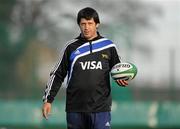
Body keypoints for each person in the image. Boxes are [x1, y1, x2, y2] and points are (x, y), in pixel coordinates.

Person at [42, 7, 128, 129]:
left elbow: (118, 70)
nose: (86, 27)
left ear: (97, 24)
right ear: (79, 25)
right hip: (75, 108)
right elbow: (57, 74)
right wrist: (48, 100)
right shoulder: (70, 47)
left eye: (90, 23)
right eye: (83, 24)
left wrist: (121, 79)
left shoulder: (109, 46)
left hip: (101, 109)